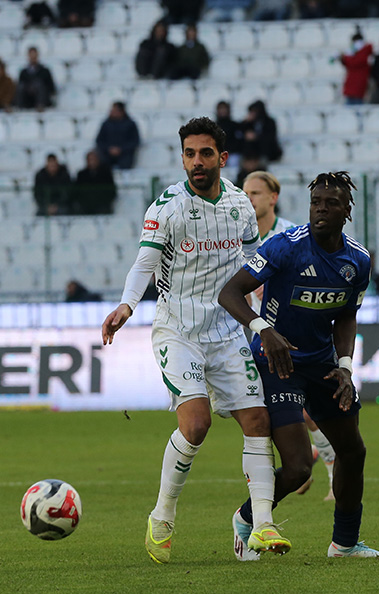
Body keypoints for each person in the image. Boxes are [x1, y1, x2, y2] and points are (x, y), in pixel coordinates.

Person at [101, 116, 291, 564]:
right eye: (189, 154)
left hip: (226, 331)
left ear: (222, 158)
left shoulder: (240, 205)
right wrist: (127, 305)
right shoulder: (166, 208)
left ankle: (262, 524)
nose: (197, 162)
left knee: (257, 420)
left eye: (206, 153)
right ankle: (163, 515)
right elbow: (144, 264)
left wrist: (265, 318)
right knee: (196, 424)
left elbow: (253, 264)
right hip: (178, 330)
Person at [218, 171, 379, 559]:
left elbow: (347, 315)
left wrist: (345, 366)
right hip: (277, 363)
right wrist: (264, 329)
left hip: (322, 365)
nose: (321, 210)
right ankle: (247, 518)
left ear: (347, 211)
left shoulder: (358, 261)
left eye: (331, 204)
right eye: (316, 203)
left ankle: (344, 544)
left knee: (353, 452)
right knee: (299, 468)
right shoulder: (285, 246)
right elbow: (229, 292)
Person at [243, 170, 337, 502]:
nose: (249, 199)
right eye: (245, 193)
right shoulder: (238, 237)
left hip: (293, 334)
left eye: (255, 193)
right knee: (264, 414)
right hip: (256, 337)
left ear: (273, 198)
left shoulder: (291, 235)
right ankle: (303, 457)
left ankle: (331, 469)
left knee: (306, 410)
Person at [95, 101, 141, 170]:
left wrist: (121, 149)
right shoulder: (106, 124)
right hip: (107, 154)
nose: (112, 112)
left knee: (125, 165)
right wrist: (109, 149)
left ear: (122, 111)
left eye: (115, 110)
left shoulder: (130, 124)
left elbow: (135, 141)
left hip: (125, 154)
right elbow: (99, 140)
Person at [74, 150, 117, 215]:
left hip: (102, 205)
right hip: (85, 206)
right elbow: (77, 192)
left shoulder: (105, 173)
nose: (92, 162)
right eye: (90, 160)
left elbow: (111, 191)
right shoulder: (81, 174)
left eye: (93, 159)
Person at [339, 27, 373, 105]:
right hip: (352, 84)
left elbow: (356, 62)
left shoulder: (364, 53)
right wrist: (343, 59)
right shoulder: (354, 53)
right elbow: (350, 64)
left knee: (357, 107)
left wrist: (345, 58)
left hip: (359, 84)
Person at [16, 47, 56, 111]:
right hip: (28, 99)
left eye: (34, 55)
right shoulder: (23, 72)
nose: (33, 57)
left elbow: (51, 87)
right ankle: (19, 106)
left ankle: (40, 105)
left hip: (42, 99)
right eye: (31, 55)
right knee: (21, 86)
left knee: (38, 84)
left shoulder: (45, 71)